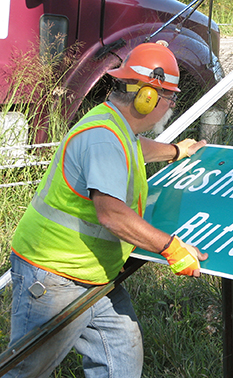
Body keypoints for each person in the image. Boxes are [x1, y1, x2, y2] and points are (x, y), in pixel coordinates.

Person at [5, 41, 208, 378]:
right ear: (148, 97)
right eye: (169, 98)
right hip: (53, 277)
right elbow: (111, 214)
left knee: (122, 360)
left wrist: (175, 150)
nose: (170, 106)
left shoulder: (115, 127)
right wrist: (170, 247)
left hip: (94, 274)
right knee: (25, 371)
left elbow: (133, 148)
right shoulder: (102, 137)